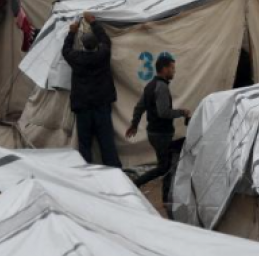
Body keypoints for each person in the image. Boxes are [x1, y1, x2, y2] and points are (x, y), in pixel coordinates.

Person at [127, 54, 189, 211]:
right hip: (161, 134)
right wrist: (182, 112)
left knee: (167, 164)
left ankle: (165, 198)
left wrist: (134, 124)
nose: (174, 71)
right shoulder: (161, 87)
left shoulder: (150, 85)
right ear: (164, 69)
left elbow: (139, 107)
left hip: (154, 133)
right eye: (172, 68)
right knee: (165, 167)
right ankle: (141, 186)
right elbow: (164, 112)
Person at [62, 12, 121, 168]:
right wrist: (93, 22)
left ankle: (86, 173)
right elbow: (105, 40)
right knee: (107, 142)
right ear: (97, 45)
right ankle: (115, 171)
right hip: (101, 105)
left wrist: (71, 32)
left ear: (83, 45)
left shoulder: (77, 58)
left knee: (85, 144)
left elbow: (65, 50)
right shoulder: (103, 55)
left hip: (83, 107)